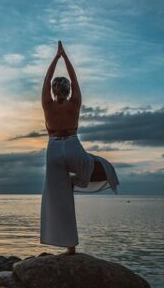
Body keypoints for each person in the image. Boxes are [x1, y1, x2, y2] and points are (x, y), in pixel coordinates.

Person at [40, 41, 119, 255]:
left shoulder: (48, 105)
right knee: (89, 164)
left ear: (54, 91)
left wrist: (55, 58)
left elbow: (46, 81)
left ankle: (69, 245)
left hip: (54, 148)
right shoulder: (74, 103)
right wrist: (65, 57)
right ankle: (80, 180)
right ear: (67, 90)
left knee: (59, 198)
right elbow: (74, 80)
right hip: (73, 145)